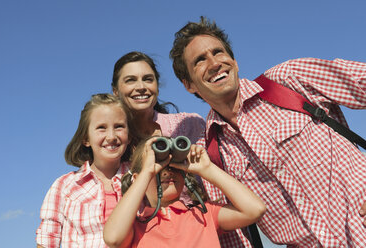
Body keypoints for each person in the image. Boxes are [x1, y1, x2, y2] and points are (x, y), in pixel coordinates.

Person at [169, 16, 366, 247]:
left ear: (234, 61)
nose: (214, 63)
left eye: (218, 52)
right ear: (188, 85)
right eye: (200, 60)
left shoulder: (288, 80)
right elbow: (237, 236)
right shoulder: (210, 152)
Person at [103, 136, 266, 248]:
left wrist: (207, 169)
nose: (167, 172)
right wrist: (147, 172)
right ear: (138, 179)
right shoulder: (136, 226)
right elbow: (113, 238)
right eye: (159, 168)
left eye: (174, 166)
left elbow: (254, 209)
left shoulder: (204, 214)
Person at [36, 94, 132, 248]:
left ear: (129, 135)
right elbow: (47, 239)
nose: (111, 136)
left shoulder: (140, 177)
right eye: (101, 128)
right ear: (86, 139)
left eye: (119, 126)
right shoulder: (64, 186)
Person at [111, 51, 205, 146]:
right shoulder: (109, 139)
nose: (141, 87)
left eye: (148, 79)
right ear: (116, 91)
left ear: (157, 87)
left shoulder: (190, 125)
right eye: (130, 80)